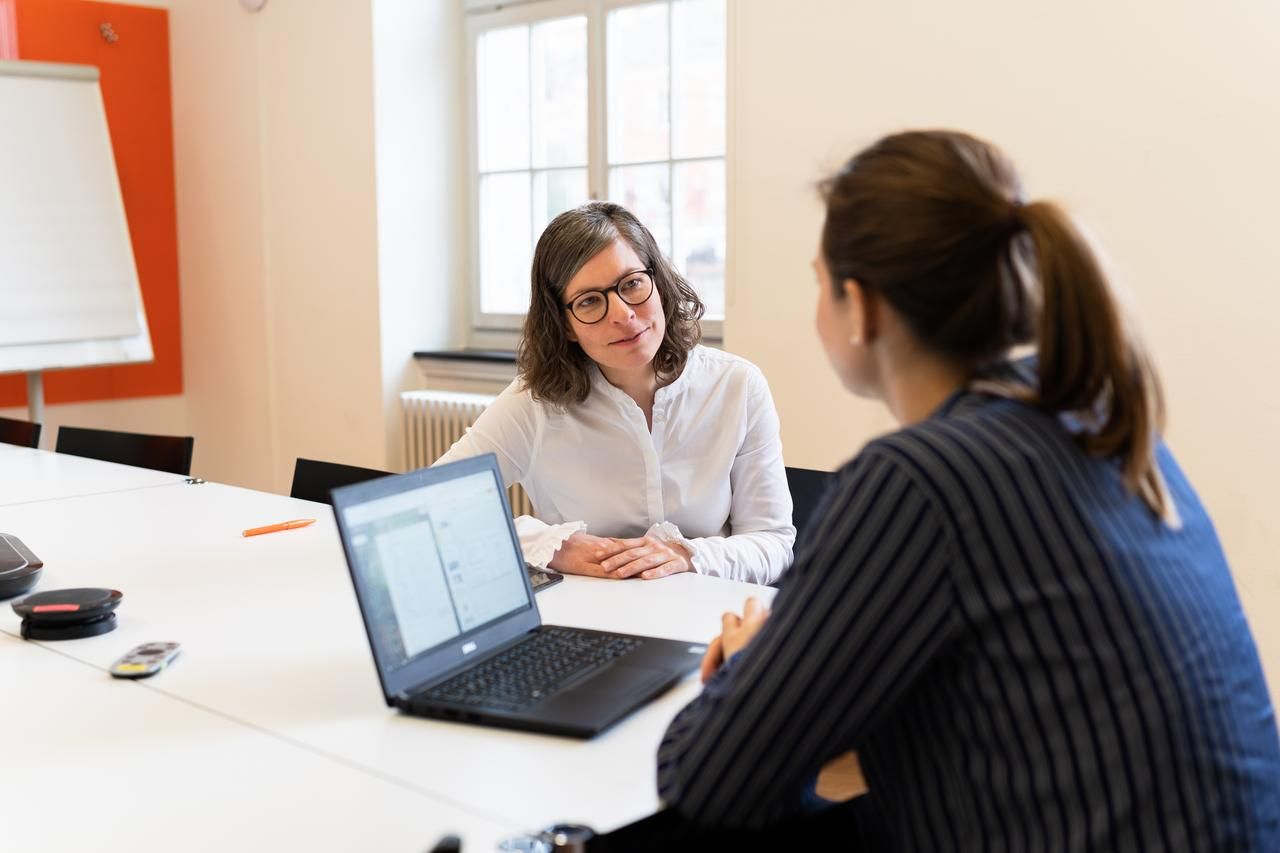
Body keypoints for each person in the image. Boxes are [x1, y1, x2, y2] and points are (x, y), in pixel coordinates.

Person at [652, 130, 1280, 848]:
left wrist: (755, 665)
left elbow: (706, 777)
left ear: (859, 308)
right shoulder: (1102, 420)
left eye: (819, 279)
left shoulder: (918, 482)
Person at [436, 202, 794, 585]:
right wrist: (551, 546)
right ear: (566, 325)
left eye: (632, 284)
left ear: (658, 282)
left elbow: (773, 542)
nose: (622, 314)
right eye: (590, 301)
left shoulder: (737, 386)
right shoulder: (534, 403)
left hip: (710, 622)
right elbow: (433, 506)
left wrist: (687, 555)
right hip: (585, 623)